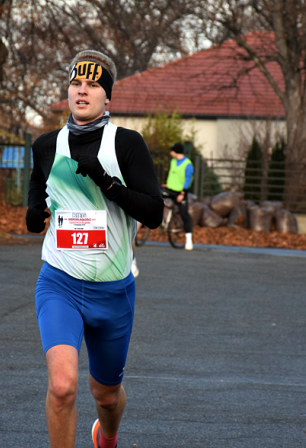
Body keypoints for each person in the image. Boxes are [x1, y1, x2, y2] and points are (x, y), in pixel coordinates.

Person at [26, 50, 163, 448]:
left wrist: (107, 182)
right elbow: (37, 206)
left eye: (92, 84)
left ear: (108, 97)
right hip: (60, 283)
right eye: (76, 83)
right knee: (64, 385)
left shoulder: (127, 144)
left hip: (113, 291)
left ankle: (108, 434)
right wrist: (35, 215)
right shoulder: (46, 145)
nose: (82, 90)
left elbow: (153, 213)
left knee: (105, 396)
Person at [164, 142, 194, 250]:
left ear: (176, 152)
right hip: (171, 189)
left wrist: (182, 193)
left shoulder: (188, 164)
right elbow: (173, 175)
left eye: (172, 151)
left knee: (184, 214)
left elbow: (188, 180)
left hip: (181, 192)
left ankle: (189, 240)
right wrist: (168, 184)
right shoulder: (173, 161)